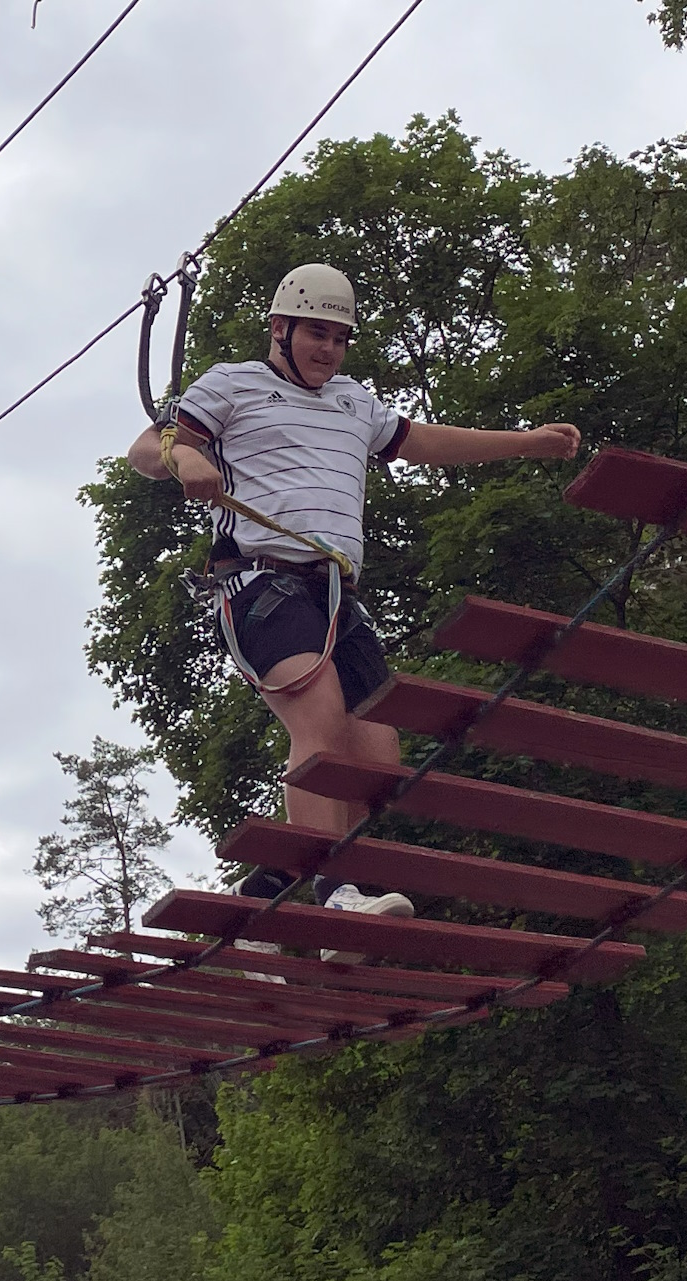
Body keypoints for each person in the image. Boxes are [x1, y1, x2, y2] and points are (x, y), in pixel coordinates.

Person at [127, 262, 581, 914]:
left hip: (336, 594)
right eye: (316, 333)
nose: (329, 349)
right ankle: (334, 889)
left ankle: (274, 883)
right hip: (262, 583)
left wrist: (523, 443)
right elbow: (146, 448)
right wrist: (186, 457)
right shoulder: (233, 384)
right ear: (279, 328)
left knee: (377, 757)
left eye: (340, 339)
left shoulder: (354, 401)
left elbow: (419, 440)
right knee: (319, 717)